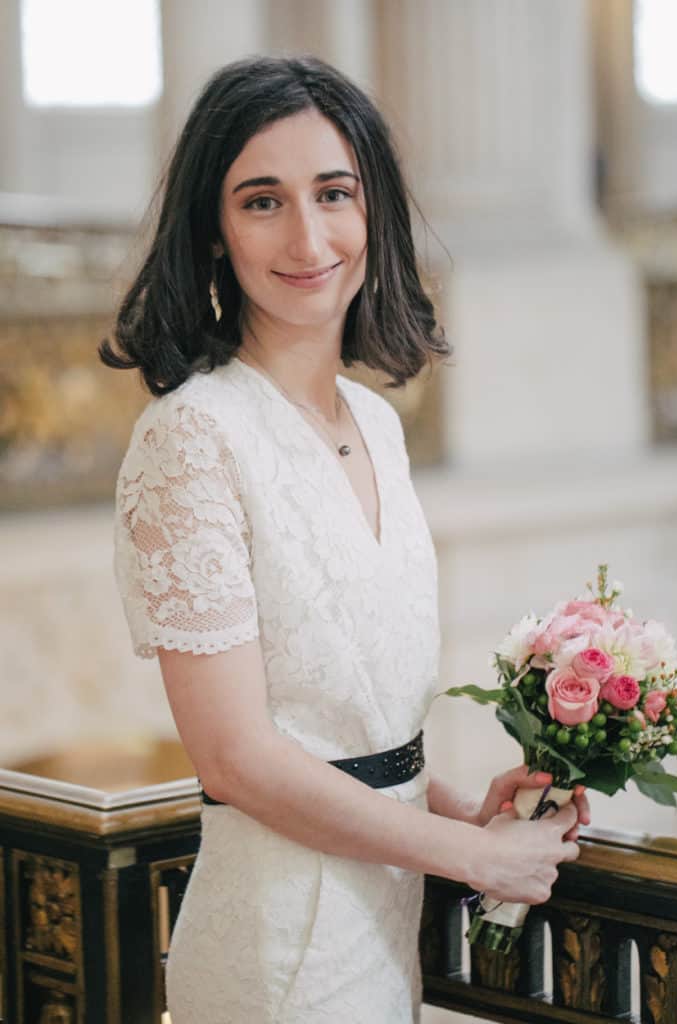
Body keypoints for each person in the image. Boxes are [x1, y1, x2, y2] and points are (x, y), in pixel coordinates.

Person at [102, 55, 590, 1024]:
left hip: (380, 924)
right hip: (273, 944)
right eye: (262, 201)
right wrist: (473, 857)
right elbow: (238, 755)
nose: (309, 235)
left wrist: (455, 805)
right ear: (212, 230)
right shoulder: (192, 435)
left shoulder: (376, 422)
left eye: (334, 193)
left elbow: (346, 732)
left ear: (375, 212)